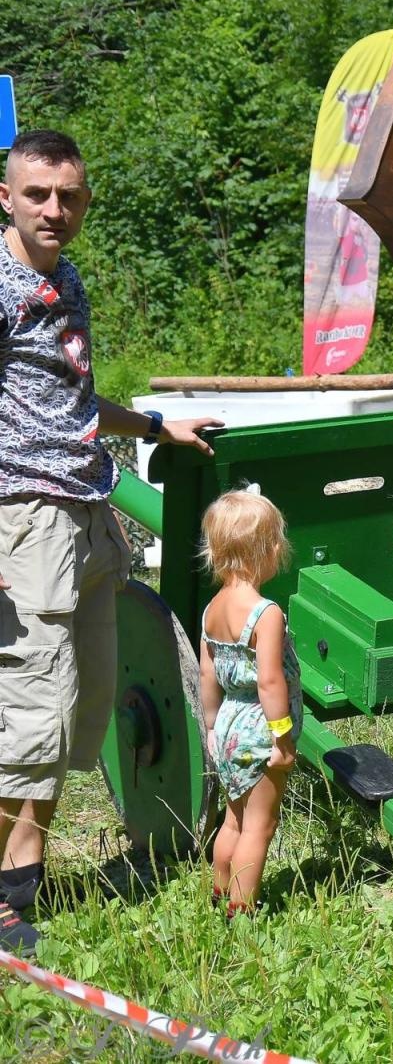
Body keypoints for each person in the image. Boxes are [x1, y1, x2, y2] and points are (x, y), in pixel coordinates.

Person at [0, 129, 220, 955]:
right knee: (32, 715)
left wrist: (158, 422)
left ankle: (23, 875)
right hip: (23, 519)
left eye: (70, 196)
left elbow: (72, 401)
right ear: (7, 197)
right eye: (38, 195)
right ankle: (2, 899)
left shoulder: (66, 278)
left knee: (83, 712)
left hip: (89, 515)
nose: (56, 209)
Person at [199, 491, 301, 917]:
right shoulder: (266, 613)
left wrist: (210, 728)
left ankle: (220, 894)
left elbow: (207, 676)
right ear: (270, 550)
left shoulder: (212, 609)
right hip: (261, 729)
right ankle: (242, 910)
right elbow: (270, 680)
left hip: (227, 726)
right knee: (261, 824)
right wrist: (282, 737)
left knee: (234, 819)